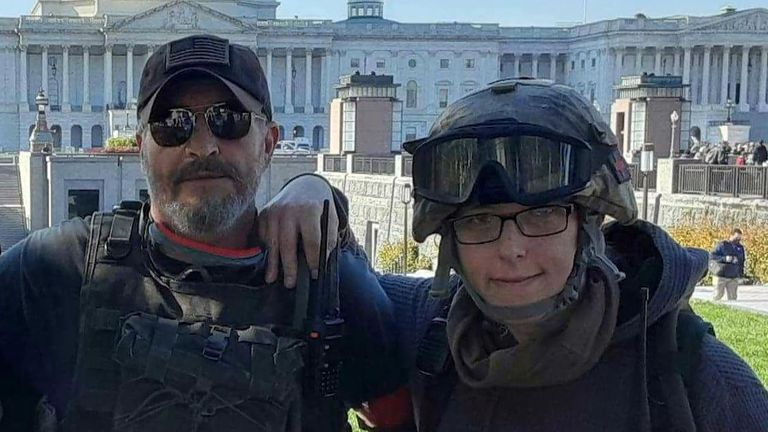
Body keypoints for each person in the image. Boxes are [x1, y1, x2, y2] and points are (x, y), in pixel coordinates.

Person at [266, 78, 768, 431]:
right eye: (480, 222)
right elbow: (338, 274)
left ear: (588, 225)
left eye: (543, 215)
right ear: (451, 245)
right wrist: (314, 191)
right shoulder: (427, 326)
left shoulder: (691, 373)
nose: (512, 249)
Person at [0, 35, 407, 432]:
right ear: (141, 147)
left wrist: (322, 191)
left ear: (269, 142)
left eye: (228, 120)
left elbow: (406, 416)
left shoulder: (329, 285)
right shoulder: (58, 268)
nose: (203, 146)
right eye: (172, 125)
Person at [710, 228, 746, 301]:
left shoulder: (740, 248)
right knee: (718, 295)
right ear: (731, 235)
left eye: (739, 238)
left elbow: (742, 261)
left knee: (733, 297)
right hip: (721, 275)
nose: (738, 240)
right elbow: (712, 256)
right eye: (736, 238)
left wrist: (741, 274)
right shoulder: (722, 245)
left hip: (733, 276)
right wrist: (725, 258)